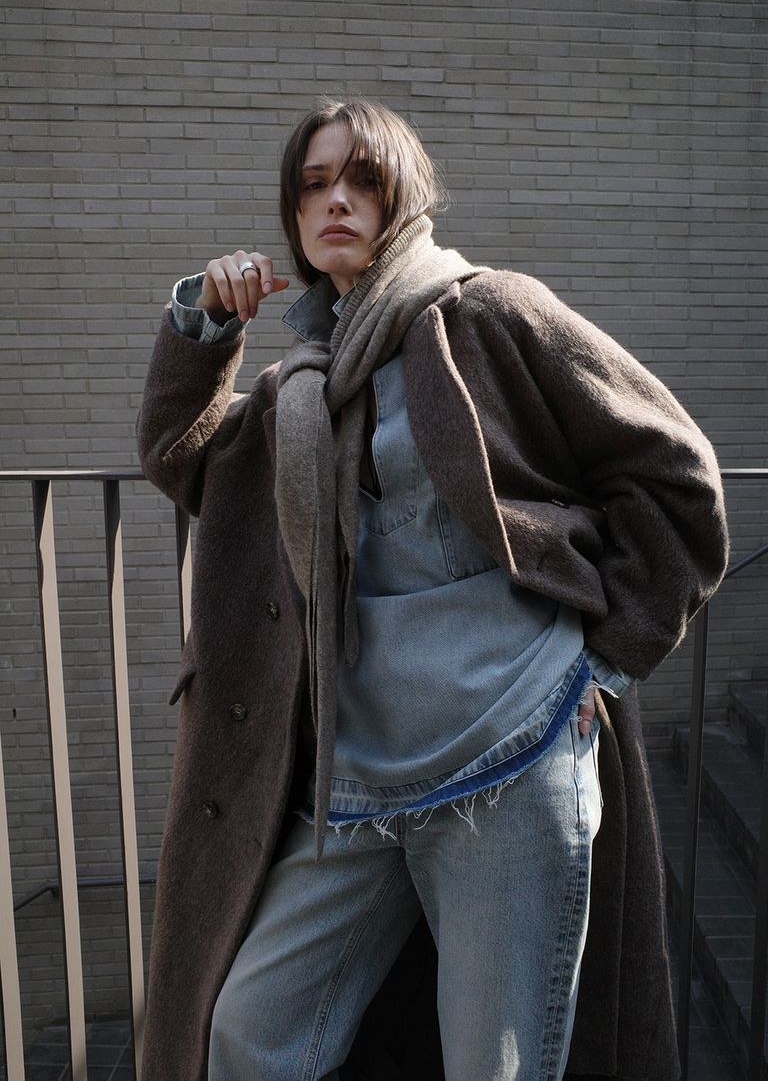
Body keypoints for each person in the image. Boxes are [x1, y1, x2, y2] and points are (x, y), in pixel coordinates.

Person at [137, 98, 728, 1081]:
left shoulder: (490, 312)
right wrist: (204, 324)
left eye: (360, 179)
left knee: (494, 1062)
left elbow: (676, 472)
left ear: (401, 193)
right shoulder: (300, 386)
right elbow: (179, 456)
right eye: (313, 184)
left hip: (511, 753)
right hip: (355, 774)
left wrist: (611, 657)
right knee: (251, 1032)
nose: (334, 200)